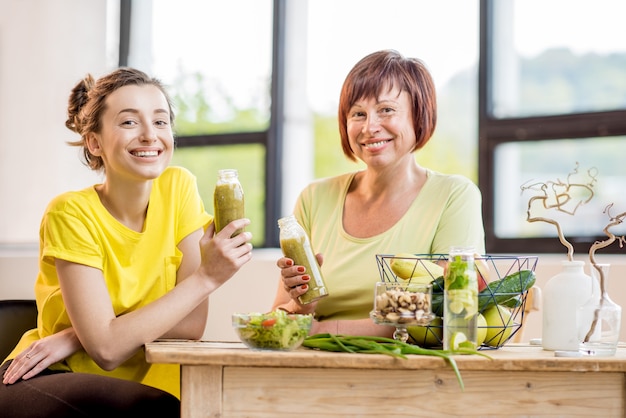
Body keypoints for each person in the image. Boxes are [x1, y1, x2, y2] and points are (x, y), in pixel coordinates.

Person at [0, 67, 253, 417]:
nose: (150, 135)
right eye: (129, 122)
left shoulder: (178, 188)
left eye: (161, 122)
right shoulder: (70, 213)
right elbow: (106, 351)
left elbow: (190, 327)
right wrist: (206, 278)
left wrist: (79, 336)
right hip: (49, 375)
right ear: (94, 142)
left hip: (146, 386)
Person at [272, 49, 485, 337]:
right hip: (314, 366)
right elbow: (282, 314)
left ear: (418, 115)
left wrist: (322, 329)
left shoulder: (453, 195)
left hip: (411, 374)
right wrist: (301, 307)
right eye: (358, 114)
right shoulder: (314, 198)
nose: (370, 127)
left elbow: (439, 312)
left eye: (386, 110)